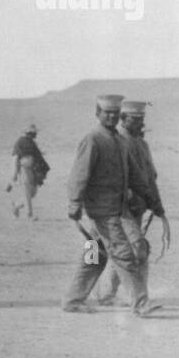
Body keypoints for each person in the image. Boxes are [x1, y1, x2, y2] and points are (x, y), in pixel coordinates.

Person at [62, 95, 165, 315]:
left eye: (114, 113)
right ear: (97, 113)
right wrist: (74, 204)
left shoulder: (120, 141)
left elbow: (137, 176)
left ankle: (72, 300)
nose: (111, 116)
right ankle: (140, 303)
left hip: (119, 210)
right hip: (101, 211)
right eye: (106, 112)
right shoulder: (92, 139)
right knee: (123, 253)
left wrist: (154, 202)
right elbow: (79, 175)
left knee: (95, 255)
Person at [96, 100, 167, 305]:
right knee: (135, 249)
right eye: (135, 119)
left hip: (137, 207)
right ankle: (138, 299)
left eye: (142, 119)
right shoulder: (115, 142)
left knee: (126, 250)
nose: (140, 123)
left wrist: (156, 204)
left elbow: (149, 177)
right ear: (123, 119)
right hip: (117, 208)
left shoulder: (141, 144)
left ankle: (107, 294)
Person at [8, 124, 49, 219]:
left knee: (33, 192)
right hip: (23, 169)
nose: (35, 134)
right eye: (34, 133)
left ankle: (16, 206)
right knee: (26, 191)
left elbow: (37, 155)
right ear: (29, 133)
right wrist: (14, 174)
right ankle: (29, 214)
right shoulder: (20, 142)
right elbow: (15, 158)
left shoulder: (32, 143)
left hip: (33, 169)